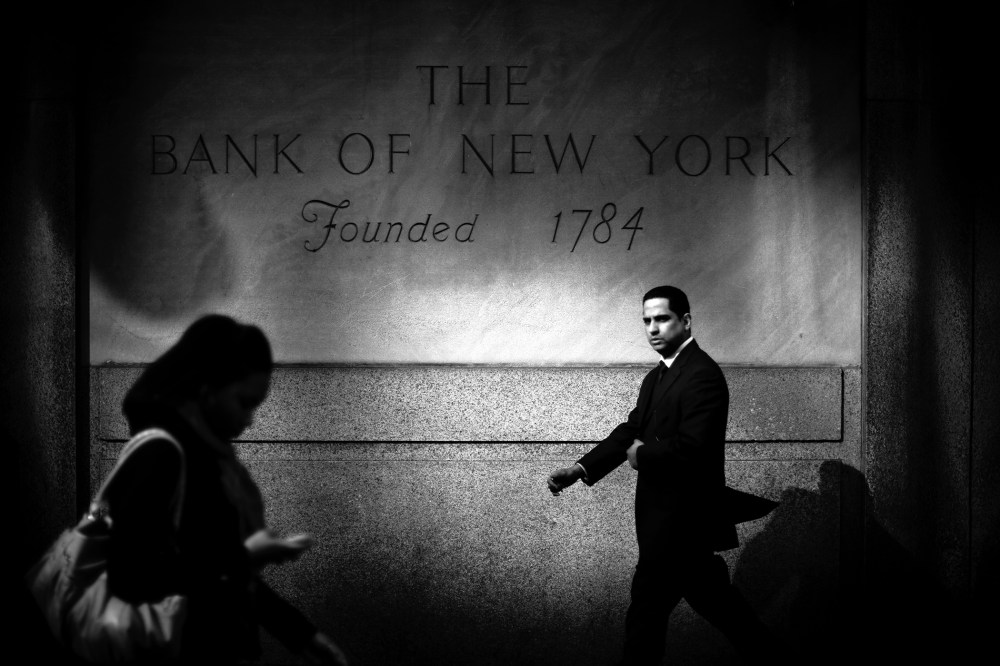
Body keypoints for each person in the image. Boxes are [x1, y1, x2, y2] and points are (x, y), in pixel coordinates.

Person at [547, 286, 777, 665]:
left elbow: (694, 447)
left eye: (662, 319)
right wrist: (580, 468)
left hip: (683, 524)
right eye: (647, 320)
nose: (653, 328)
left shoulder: (702, 374)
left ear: (685, 321)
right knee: (722, 617)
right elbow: (631, 429)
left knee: (648, 623)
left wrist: (642, 454)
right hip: (670, 527)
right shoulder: (657, 377)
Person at [106, 314, 348, 665]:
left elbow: (216, 568)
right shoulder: (163, 454)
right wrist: (245, 557)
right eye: (244, 402)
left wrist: (300, 634)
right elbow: (133, 574)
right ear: (207, 387)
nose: (249, 420)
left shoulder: (207, 455)